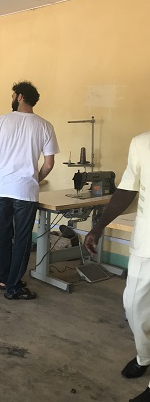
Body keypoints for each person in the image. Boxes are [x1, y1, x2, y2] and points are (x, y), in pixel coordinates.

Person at [84, 131, 150, 402]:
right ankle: (145, 355)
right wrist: (98, 228)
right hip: (146, 241)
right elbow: (127, 189)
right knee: (133, 305)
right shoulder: (142, 143)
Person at [0, 81, 59, 300]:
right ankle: (13, 285)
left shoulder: (1, 121)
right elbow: (49, 163)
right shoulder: (45, 126)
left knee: (4, 236)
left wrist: (1, 148)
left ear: (20, 97)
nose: (12, 97)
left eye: (14, 94)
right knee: (22, 239)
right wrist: (36, 178)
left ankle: (5, 279)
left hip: (2, 189)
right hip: (25, 191)